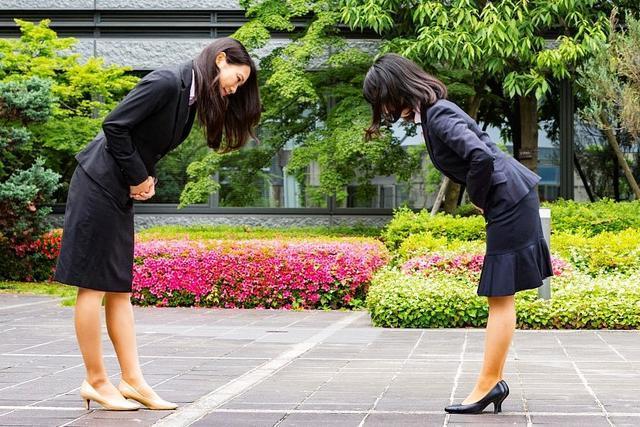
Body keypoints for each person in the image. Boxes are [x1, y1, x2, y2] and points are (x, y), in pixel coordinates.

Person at [54, 37, 261, 411]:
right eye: (238, 77)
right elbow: (115, 125)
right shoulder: (168, 82)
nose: (235, 87)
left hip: (116, 188)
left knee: (118, 288)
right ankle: (96, 380)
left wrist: (143, 177)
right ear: (220, 59)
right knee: (93, 286)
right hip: (97, 182)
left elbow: (143, 140)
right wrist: (138, 175)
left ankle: (132, 381)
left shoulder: (190, 97)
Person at [363, 53, 553, 415]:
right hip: (509, 197)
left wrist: (479, 199)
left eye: (382, 99)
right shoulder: (433, 115)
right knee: (500, 295)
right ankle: (490, 382)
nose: (384, 109)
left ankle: (488, 384)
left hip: (508, 199)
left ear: (396, 89)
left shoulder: (439, 114)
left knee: (499, 294)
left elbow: (480, 156)